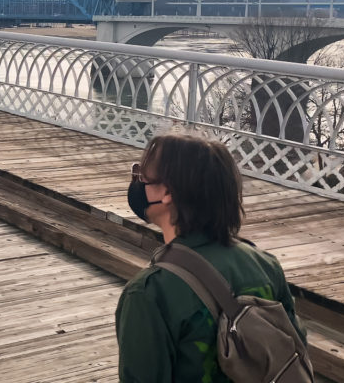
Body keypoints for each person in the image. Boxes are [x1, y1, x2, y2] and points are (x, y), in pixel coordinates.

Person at [116, 134, 305, 382]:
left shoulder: (149, 293)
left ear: (168, 192)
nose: (138, 184)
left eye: (142, 176)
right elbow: (297, 348)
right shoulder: (266, 265)